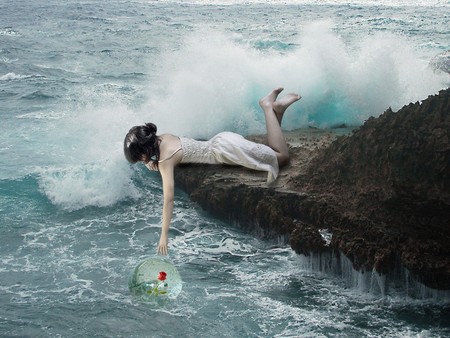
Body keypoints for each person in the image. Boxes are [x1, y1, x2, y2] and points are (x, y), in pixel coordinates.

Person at [124, 87, 301, 255]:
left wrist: (164, 235)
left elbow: (168, 198)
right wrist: (150, 162)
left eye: (139, 156)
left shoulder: (165, 159)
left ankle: (267, 106)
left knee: (281, 157)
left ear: (145, 150)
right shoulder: (163, 139)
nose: (140, 160)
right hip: (223, 142)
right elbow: (160, 160)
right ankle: (277, 110)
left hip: (226, 152)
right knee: (270, 152)